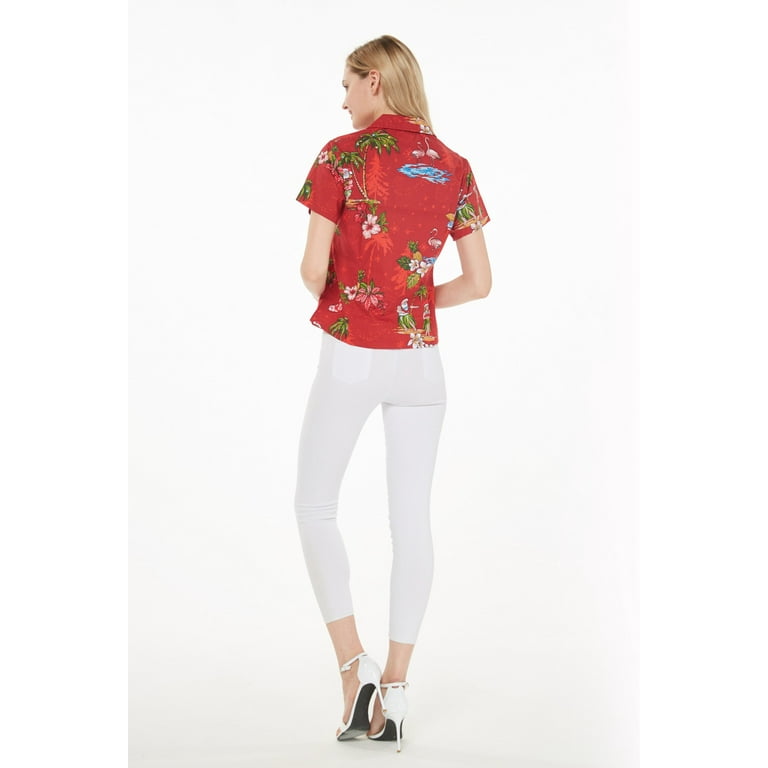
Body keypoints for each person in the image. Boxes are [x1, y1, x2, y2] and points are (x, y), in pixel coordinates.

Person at [294, 34, 491, 752]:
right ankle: (398, 691)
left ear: (374, 80)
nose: (342, 99)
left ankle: (356, 669)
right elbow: (479, 283)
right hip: (421, 363)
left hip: (353, 353)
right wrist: (410, 302)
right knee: (412, 524)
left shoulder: (340, 156)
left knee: (314, 507)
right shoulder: (454, 165)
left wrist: (360, 299)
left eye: (347, 84)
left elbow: (312, 271)